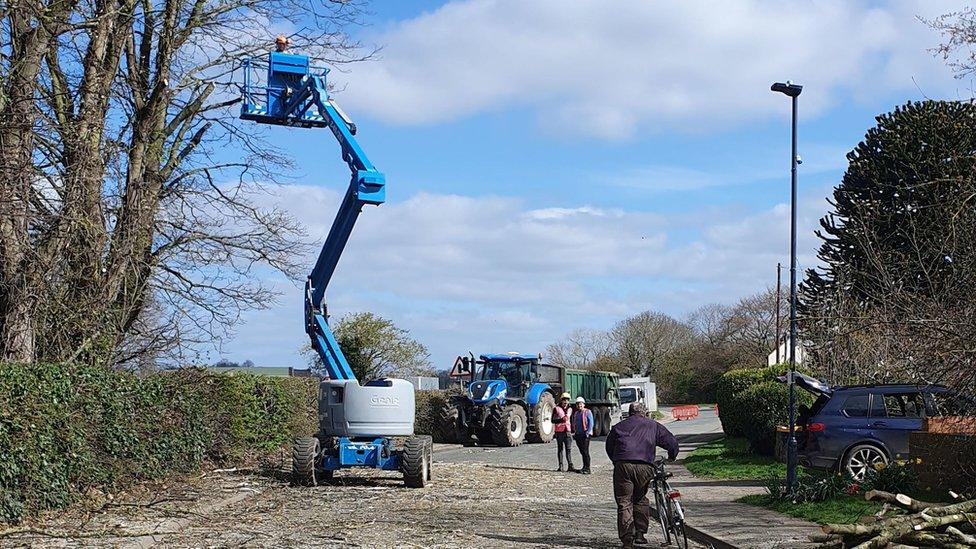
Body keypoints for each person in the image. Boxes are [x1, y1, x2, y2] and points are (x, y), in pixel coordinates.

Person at [605, 401, 679, 549]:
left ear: (630, 412)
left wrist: (617, 461)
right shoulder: (653, 425)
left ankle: (627, 541)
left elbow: (609, 447)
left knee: (624, 502)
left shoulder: (618, 427)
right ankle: (640, 534)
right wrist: (672, 456)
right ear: (644, 412)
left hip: (623, 465)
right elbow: (671, 442)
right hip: (645, 466)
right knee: (640, 498)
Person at [572, 397, 594, 474]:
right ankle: (584, 467)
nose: (579, 405)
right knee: (582, 451)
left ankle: (588, 468)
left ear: (583, 404)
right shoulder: (576, 413)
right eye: (578, 404)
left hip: (585, 435)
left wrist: (587, 433)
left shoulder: (588, 412)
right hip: (578, 434)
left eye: (580, 404)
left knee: (585, 451)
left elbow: (591, 423)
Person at [553, 392, 575, 472]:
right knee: (560, 449)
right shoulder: (556, 409)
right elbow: (553, 420)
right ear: (561, 400)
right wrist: (561, 420)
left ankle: (570, 465)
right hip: (559, 432)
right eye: (564, 400)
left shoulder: (570, 409)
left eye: (567, 400)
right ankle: (560, 466)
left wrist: (573, 430)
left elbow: (572, 420)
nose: (565, 402)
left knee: (568, 449)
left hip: (568, 431)